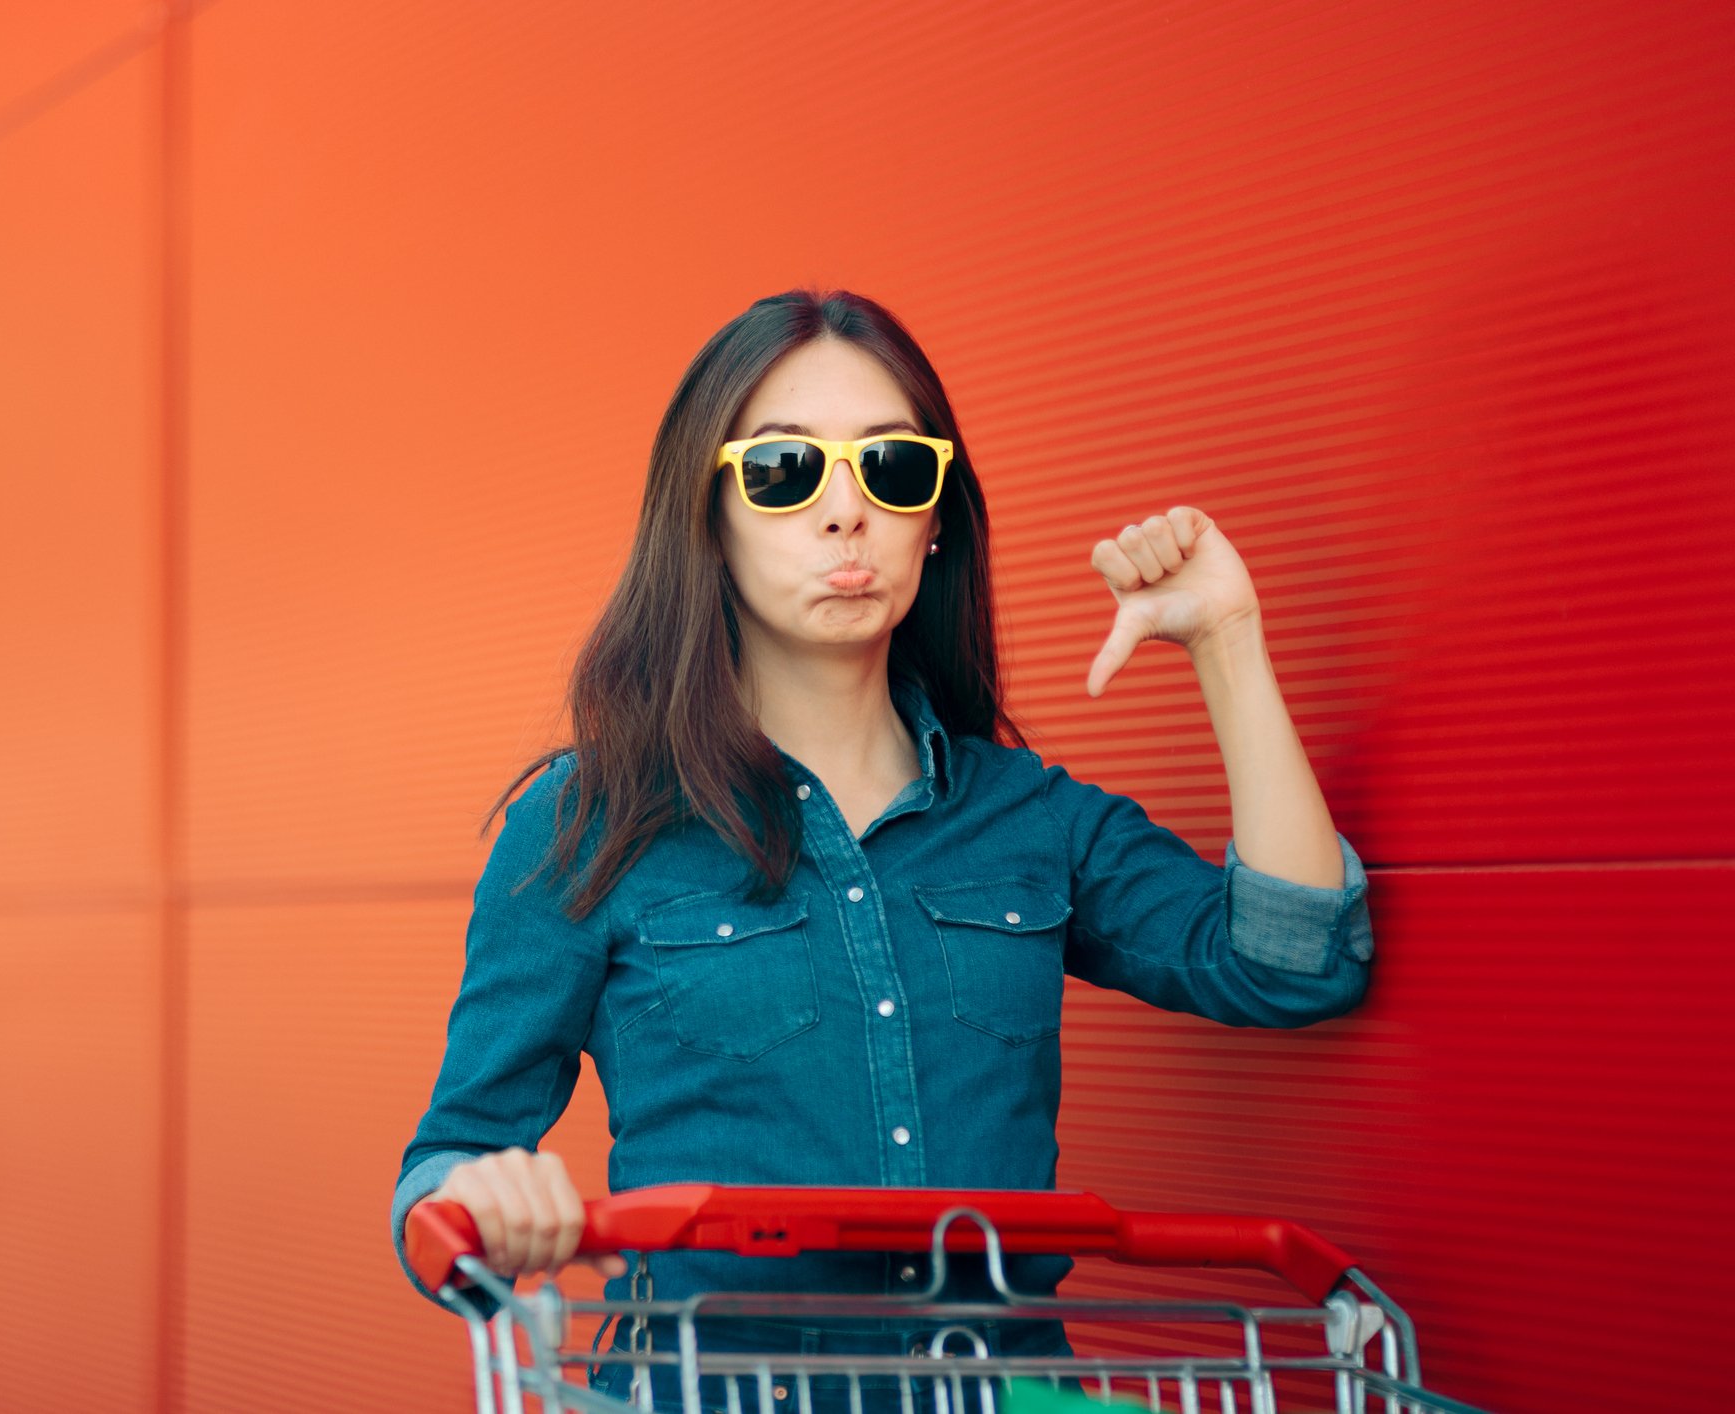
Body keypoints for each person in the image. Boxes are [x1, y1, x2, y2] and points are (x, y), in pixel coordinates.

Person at [390, 287, 1376, 1412]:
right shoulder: (589, 822)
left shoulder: (1029, 818)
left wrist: (1227, 642)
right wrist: (487, 1198)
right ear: (707, 517)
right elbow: (444, 1165)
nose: (844, 513)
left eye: (891, 470)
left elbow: (1296, 963)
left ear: (936, 516)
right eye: (783, 472)